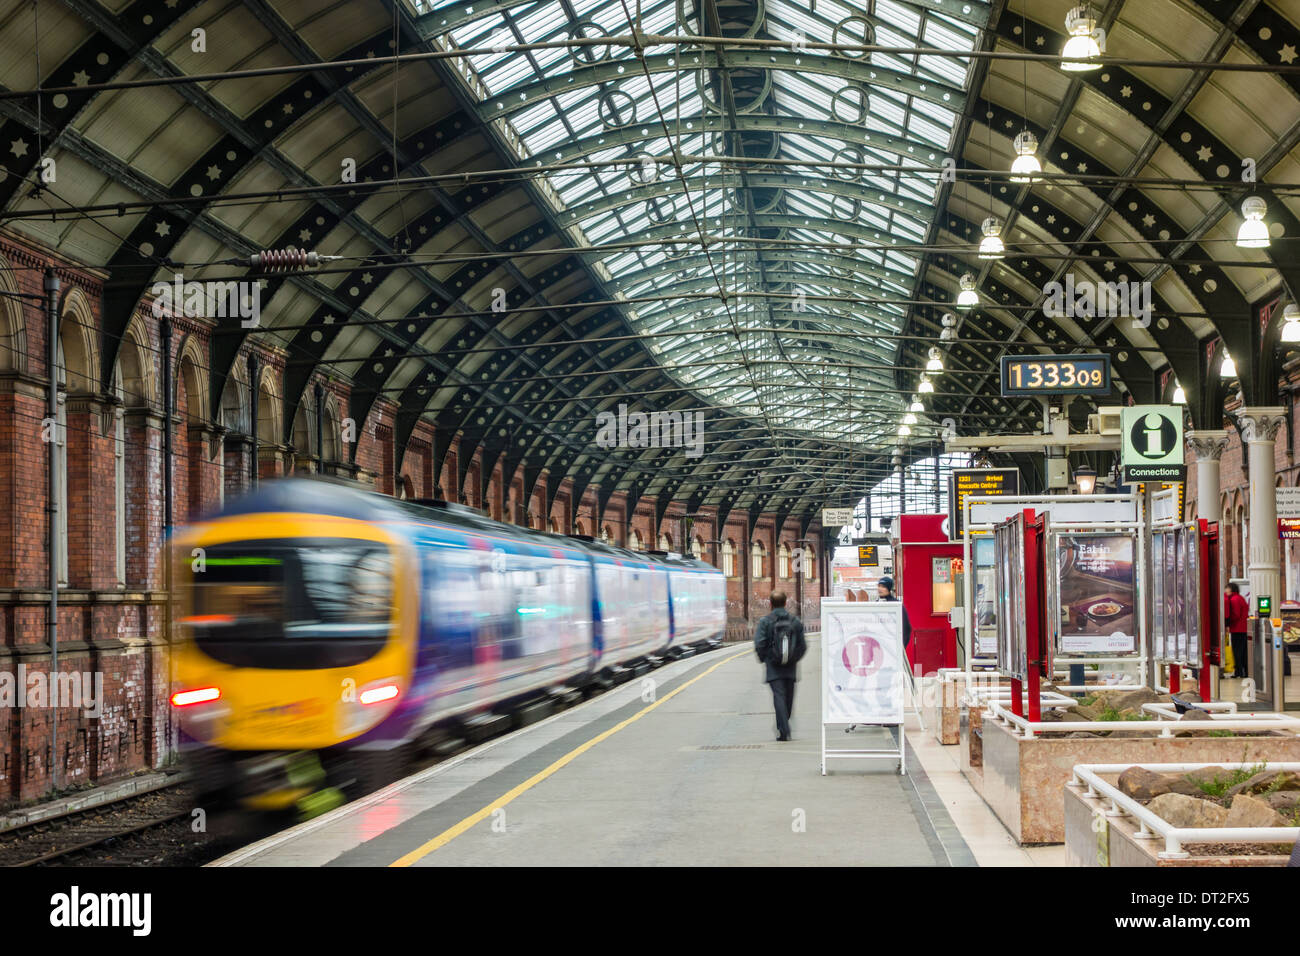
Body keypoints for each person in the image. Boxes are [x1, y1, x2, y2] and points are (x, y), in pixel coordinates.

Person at [753, 590, 807, 741]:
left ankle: (783, 729)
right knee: (788, 698)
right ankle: (784, 725)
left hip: (773, 666)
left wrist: (765, 659)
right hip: (791, 667)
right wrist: (794, 658)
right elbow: (802, 646)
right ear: (786, 603)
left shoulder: (765, 621)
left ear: (770, 604)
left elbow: (760, 643)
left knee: (779, 696)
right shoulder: (794, 621)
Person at [877, 576, 912, 648]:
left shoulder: (896, 605)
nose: (880, 589)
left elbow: (906, 627)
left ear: (889, 589)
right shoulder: (875, 604)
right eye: (879, 586)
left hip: (893, 646)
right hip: (880, 646)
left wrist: (901, 646)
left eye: (883, 587)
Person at [1224, 583, 1249, 679]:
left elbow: (1235, 614)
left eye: (1227, 588)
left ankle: (1239, 671)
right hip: (1243, 628)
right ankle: (1244, 671)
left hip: (1237, 629)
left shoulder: (1234, 599)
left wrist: (1227, 623)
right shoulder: (1240, 598)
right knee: (1242, 651)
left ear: (1231, 589)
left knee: (1237, 651)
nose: (1225, 591)